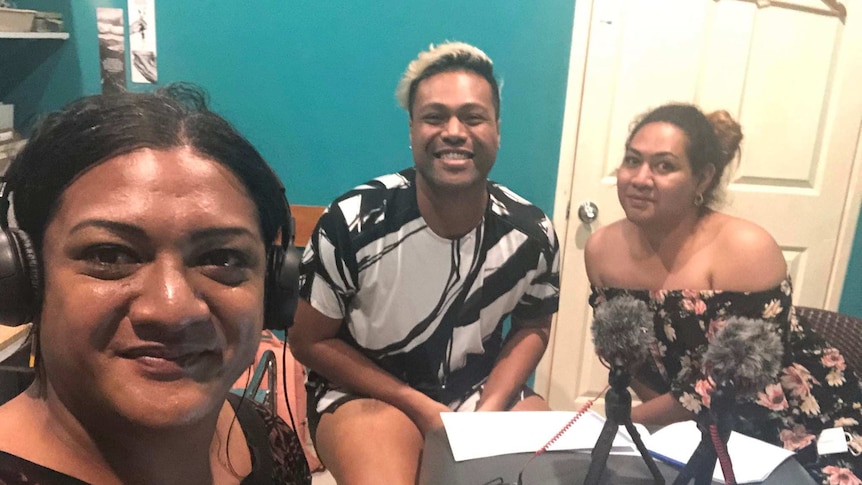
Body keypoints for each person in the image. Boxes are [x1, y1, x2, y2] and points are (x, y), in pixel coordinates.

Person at [0, 85, 311, 485]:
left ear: (272, 286)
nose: (173, 309)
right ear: (27, 279)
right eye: (110, 256)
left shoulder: (268, 440)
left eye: (222, 259)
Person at [288, 41, 560, 484]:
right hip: (366, 392)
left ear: (497, 129)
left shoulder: (532, 233)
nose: (454, 131)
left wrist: (489, 411)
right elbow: (308, 341)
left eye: (473, 117)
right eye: (435, 117)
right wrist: (418, 406)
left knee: (546, 472)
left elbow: (534, 326)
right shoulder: (351, 222)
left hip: (478, 393)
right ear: (412, 130)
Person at [584, 103, 862, 483]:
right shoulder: (602, 249)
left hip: (795, 424)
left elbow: (735, 382)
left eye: (664, 166)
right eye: (633, 161)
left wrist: (624, 421)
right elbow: (629, 356)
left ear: (702, 179)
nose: (640, 178)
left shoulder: (747, 248)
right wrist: (654, 425)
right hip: (690, 427)